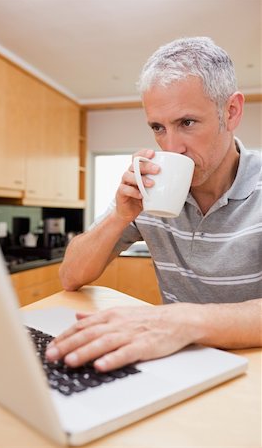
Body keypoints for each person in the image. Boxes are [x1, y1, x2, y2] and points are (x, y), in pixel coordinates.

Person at [46, 36, 262, 371]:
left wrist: (182, 321)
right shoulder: (153, 186)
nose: (171, 147)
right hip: (177, 363)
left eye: (186, 123)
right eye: (158, 128)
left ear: (230, 111)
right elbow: (70, 276)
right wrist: (120, 216)